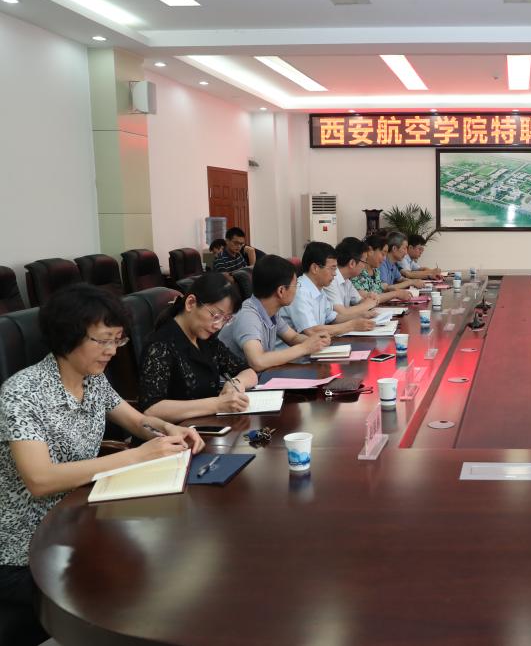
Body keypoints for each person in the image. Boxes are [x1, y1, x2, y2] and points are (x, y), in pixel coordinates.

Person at [0, 285, 204, 645]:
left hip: (80, 521)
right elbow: (40, 480)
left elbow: (136, 420)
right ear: (68, 337)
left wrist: (170, 428)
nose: (112, 351)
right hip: (26, 547)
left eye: (117, 340)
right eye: (102, 341)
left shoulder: (92, 380)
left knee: (166, 558)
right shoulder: (21, 394)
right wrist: (137, 455)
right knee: (131, 593)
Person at [138, 273, 259, 420]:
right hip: (176, 431)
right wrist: (217, 404)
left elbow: (248, 372)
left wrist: (236, 383)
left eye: (225, 319)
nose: (218, 326)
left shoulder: (206, 339)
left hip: (210, 425)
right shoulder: (160, 344)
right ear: (190, 303)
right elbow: (151, 409)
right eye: (216, 316)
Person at [218, 255, 331, 371]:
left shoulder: (270, 311)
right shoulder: (248, 316)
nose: (297, 289)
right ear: (281, 291)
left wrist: (315, 341)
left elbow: (293, 337)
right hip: (235, 380)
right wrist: (304, 348)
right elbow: (257, 361)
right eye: (295, 285)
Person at [278, 242, 375, 340]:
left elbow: (332, 318)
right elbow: (311, 331)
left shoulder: (320, 289)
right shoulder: (300, 291)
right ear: (315, 268)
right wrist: (352, 326)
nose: (335, 274)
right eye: (332, 268)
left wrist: (360, 315)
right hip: (294, 348)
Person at [324, 238, 379, 319]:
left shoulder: (347, 280)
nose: (364, 266)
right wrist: (368, 304)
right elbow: (341, 313)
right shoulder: (331, 280)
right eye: (364, 262)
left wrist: (369, 297)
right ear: (352, 263)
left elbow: (359, 301)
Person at [351, 235, 413, 303]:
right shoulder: (357, 271)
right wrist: (396, 294)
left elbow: (380, 289)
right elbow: (369, 298)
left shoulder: (376, 270)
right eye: (383, 254)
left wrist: (392, 290)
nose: (384, 259)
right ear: (370, 251)